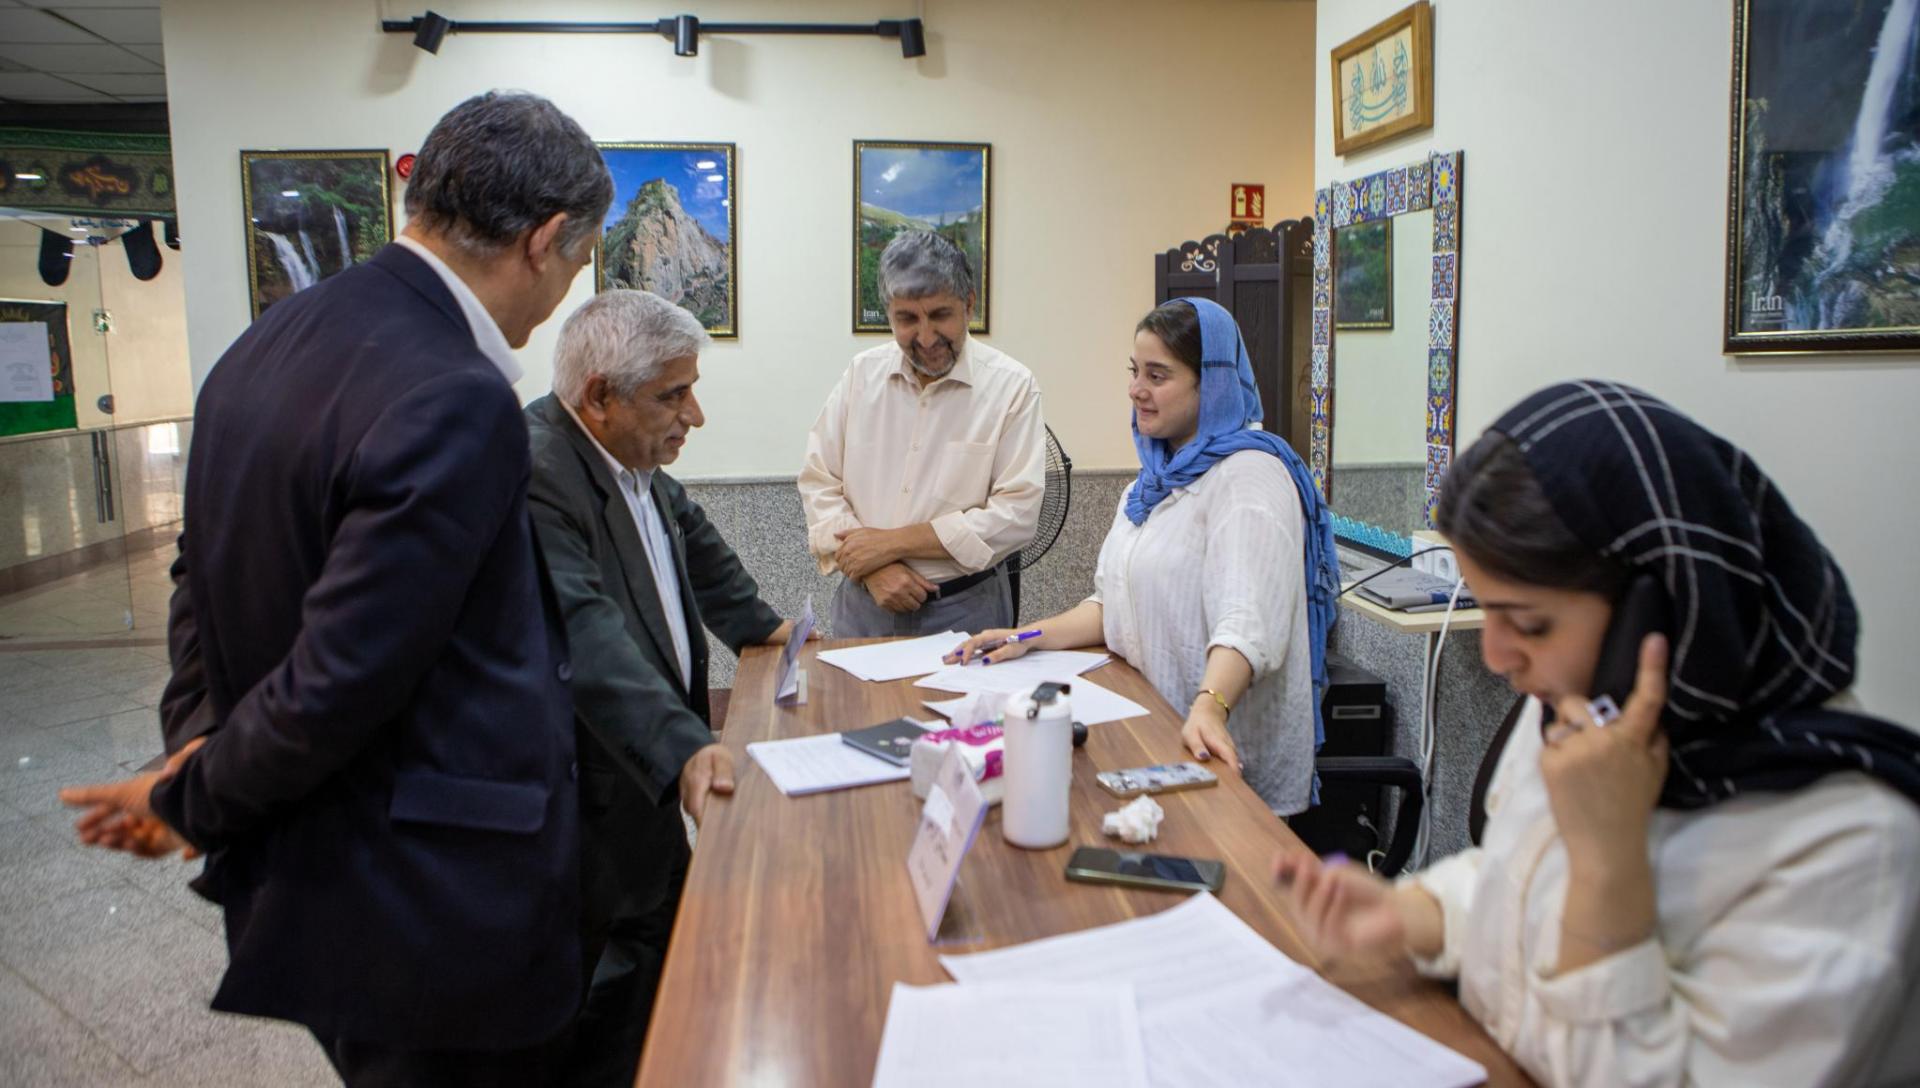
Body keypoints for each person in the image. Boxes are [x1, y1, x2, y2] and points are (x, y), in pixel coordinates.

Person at [58, 91, 613, 1085]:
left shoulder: (266, 342)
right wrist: (192, 796)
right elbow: (344, 674)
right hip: (430, 911)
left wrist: (198, 735)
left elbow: (198, 577)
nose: (565, 291)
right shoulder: (457, 392)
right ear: (547, 239)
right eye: (579, 264)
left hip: (314, 885)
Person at [1272, 381, 1920, 1086]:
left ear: (1660, 613)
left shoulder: (1852, 847)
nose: (1498, 656)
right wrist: (1414, 912)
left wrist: (1609, 865)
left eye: (1531, 624)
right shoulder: (1586, 704)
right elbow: (1517, 876)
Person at [525, 290, 806, 1087]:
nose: (695, 416)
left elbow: (698, 549)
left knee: (656, 967)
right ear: (599, 397)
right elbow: (582, 631)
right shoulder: (539, 471)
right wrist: (686, 749)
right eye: (673, 396)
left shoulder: (634, 461)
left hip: (641, 784)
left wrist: (769, 628)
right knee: (590, 1001)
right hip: (586, 796)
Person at [946, 298, 1339, 815]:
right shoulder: (1153, 482)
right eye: (1134, 371)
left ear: (1211, 384)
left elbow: (1248, 625)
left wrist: (1210, 707)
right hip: (1158, 738)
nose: (1136, 389)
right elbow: (1111, 604)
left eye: (1158, 375)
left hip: (1222, 761)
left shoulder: (1249, 478)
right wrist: (1025, 637)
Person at [798, 230, 1044, 638]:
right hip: (864, 603)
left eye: (940, 315)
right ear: (889, 315)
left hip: (966, 610)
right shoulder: (862, 375)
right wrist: (874, 568)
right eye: (907, 319)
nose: (926, 338)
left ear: (969, 305)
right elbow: (819, 480)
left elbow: (1016, 514)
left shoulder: (1012, 386)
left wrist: (892, 544)